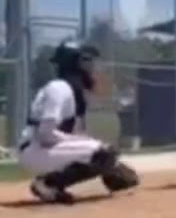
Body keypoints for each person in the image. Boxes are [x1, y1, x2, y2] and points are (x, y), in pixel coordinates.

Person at [18, 41, 140, 203]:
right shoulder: (59, 89)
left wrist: (110, 165)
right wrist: (98, 152)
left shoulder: (70, 90)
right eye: (88, 62)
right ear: (76, 63)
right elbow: (46, 134)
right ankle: (48, 184)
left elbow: (67, 137)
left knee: (103, 154)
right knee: (101, 153)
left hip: (43, 149)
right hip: (35, 149)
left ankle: (51, 183)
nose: (92, 68)